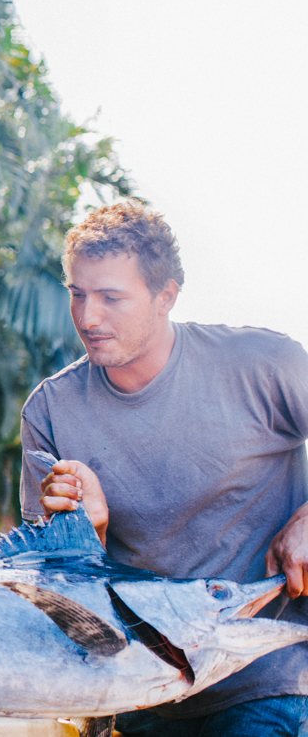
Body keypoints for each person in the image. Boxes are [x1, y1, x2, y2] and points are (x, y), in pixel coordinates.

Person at [20, 200, 308, 737]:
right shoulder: (49, 410)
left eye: (111, 297)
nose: (88, 318)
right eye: (77, 294)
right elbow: (57, 591)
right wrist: (92, 531)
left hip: (264, 685)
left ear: (165, 297)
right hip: (137, 696)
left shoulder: (265, 365)